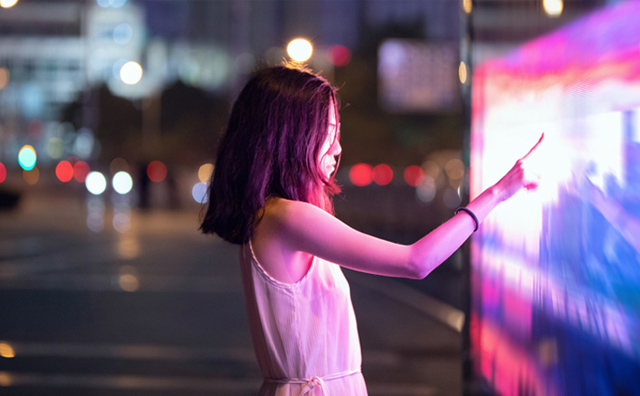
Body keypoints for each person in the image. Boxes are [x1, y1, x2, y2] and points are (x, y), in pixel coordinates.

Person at [200, 65, 543, 396]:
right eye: (328, 132)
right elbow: (415, 262)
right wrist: (497, 193)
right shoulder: (288, 218)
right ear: (292, 135)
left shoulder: (275, 215)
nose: (336, 148)